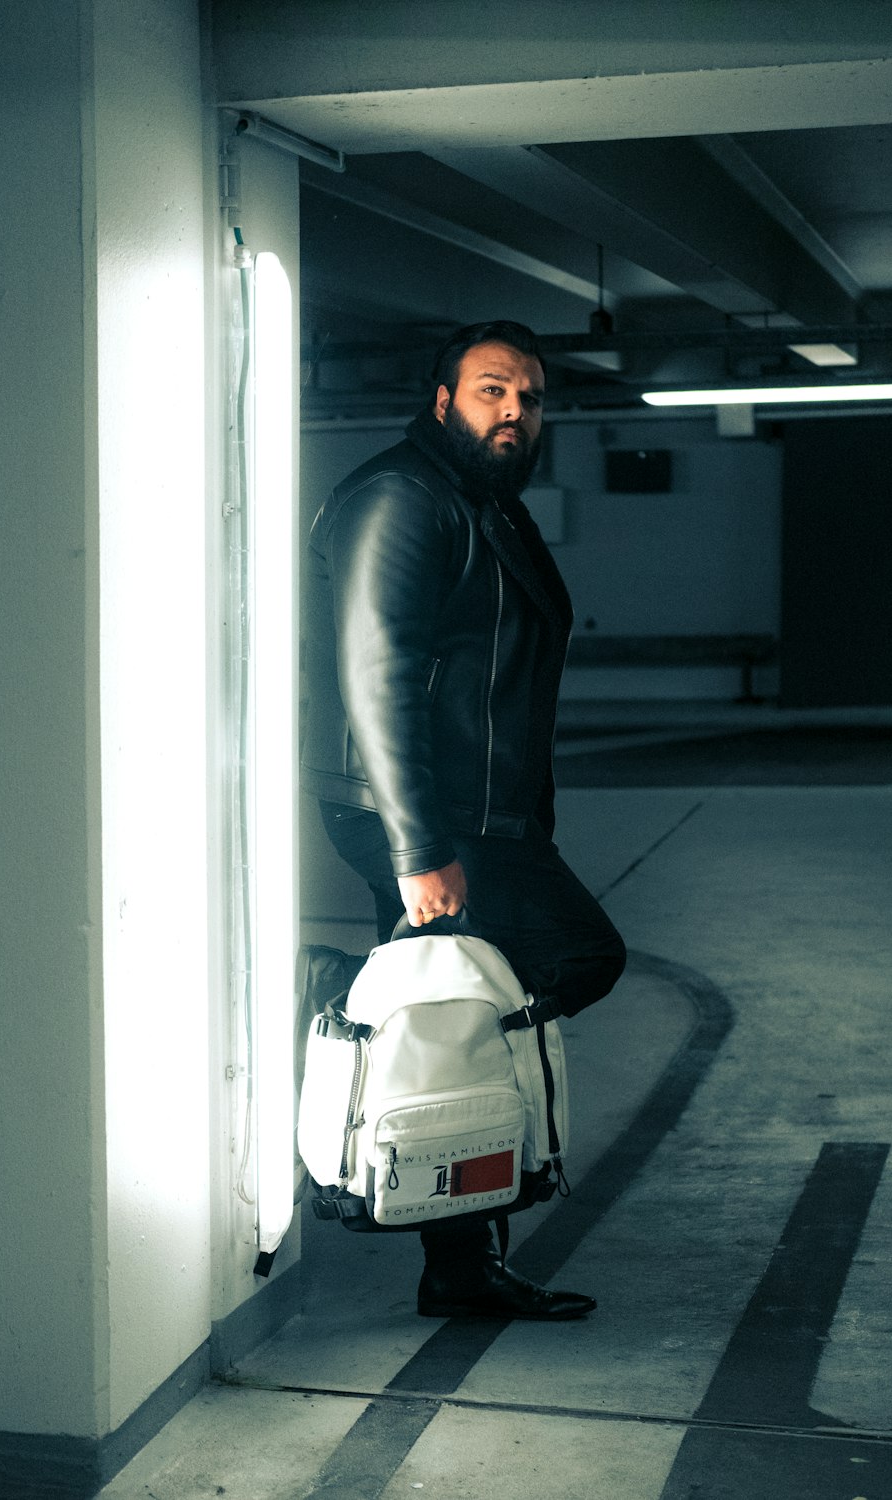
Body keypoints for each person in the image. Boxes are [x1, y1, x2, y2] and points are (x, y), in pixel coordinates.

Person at [298, 320, 626, 1320]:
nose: (516, 410)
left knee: (468, 1015)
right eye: (492, 390)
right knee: (573, 960)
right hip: (429, 820)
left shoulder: (486, 504)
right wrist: (419, 847)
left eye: (530, 396)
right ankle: (340, 1011)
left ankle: (458, 1262)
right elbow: (376, 677)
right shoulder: (402, 498)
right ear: (442, 400)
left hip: (483, 816)